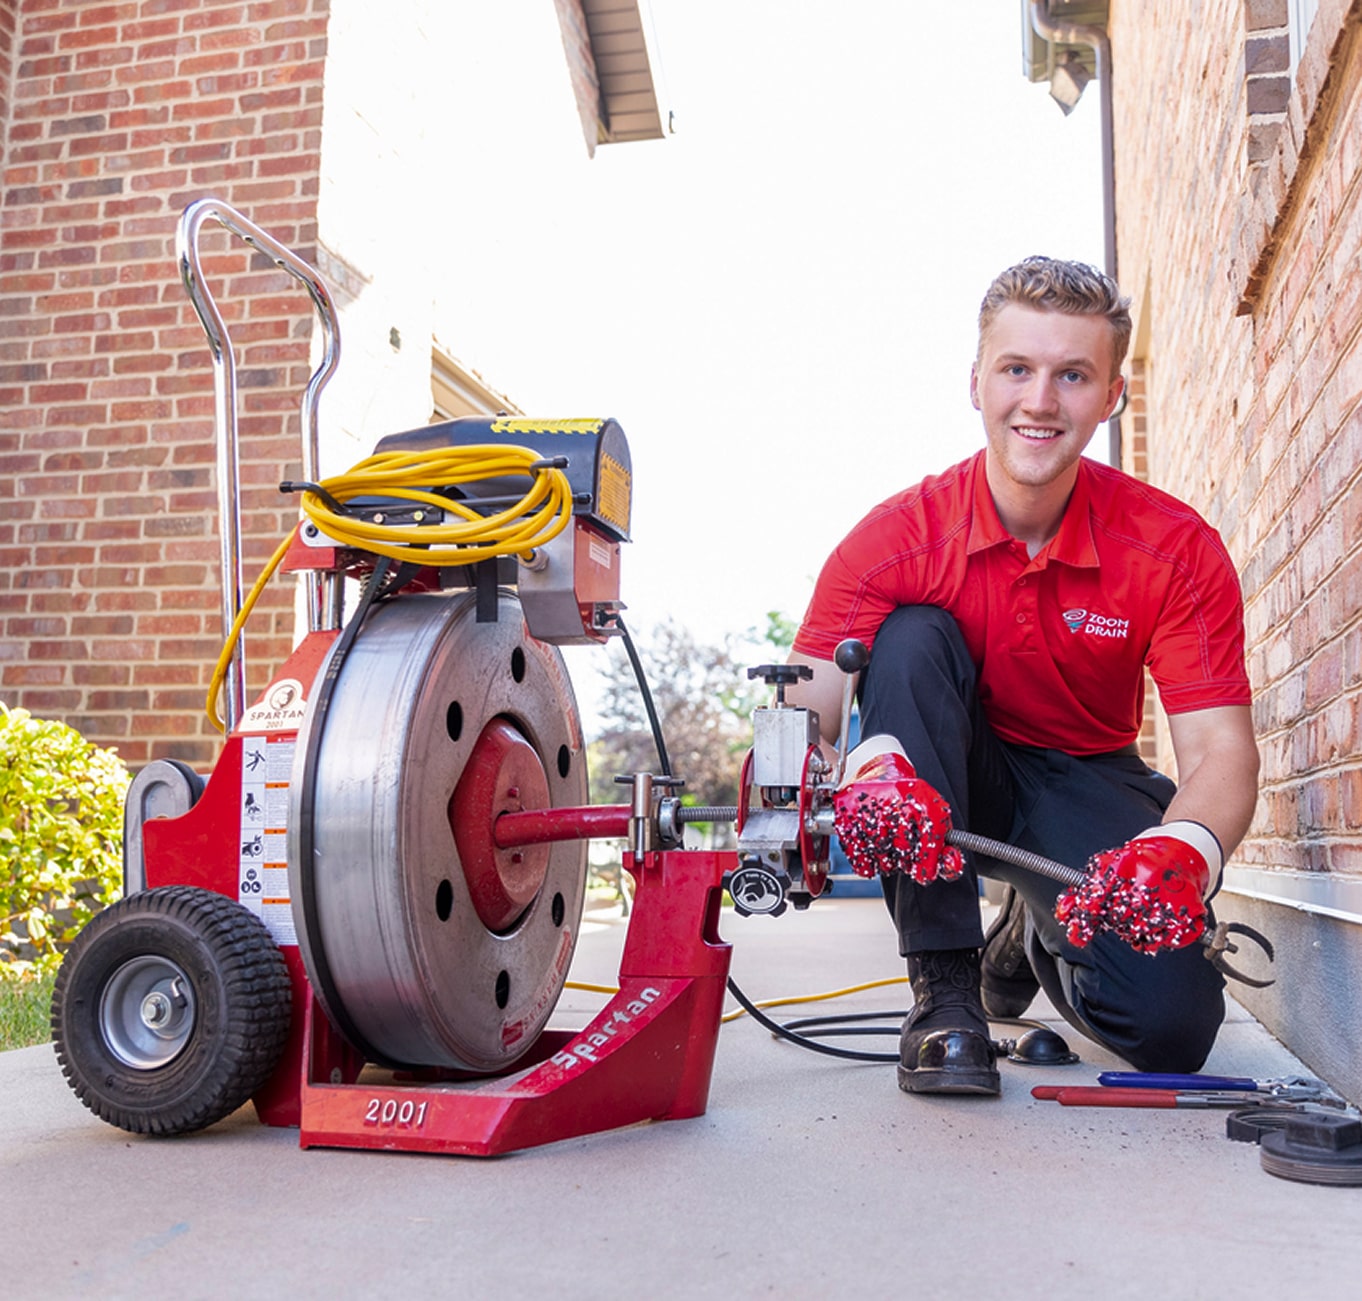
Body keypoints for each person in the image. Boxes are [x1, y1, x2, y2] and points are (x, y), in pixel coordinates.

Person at [786, 256, 1259, 1096]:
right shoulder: (897, 538)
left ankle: (1033, 936)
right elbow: (804, 704)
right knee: (909, 635)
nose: (1040, 401)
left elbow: (1222, 750)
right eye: (1017, 369)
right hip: (946, 764)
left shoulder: (1172, 548)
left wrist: (1182, 851)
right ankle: (946, 997)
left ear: (1110, 394)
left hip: (1083, 773)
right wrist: (859, 769)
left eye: (1072, 375)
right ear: (976, 382)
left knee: (1173, 1029)